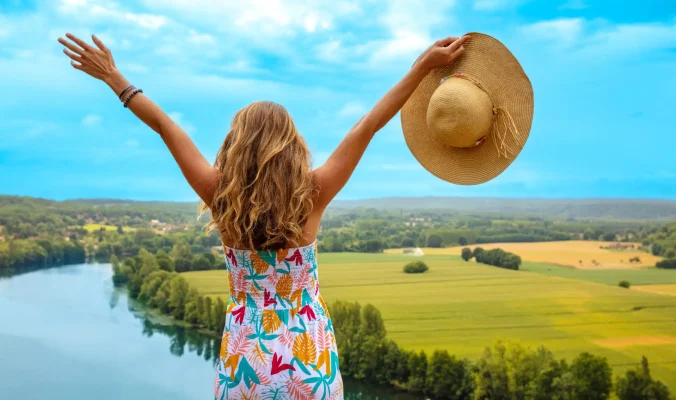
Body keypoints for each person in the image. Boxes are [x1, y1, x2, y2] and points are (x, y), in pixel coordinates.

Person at [57, 32, 470, 400]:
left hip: (245, 365)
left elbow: (165, 125)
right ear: (292, 145)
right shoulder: (313, 194)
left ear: (235, 145)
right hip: (310, 365)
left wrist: (114, 77)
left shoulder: (219, 194)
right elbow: (366, 127)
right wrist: (421, 67)